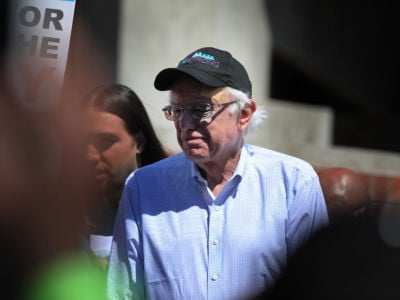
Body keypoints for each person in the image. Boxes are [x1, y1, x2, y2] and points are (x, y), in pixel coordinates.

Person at [107, 46, 329, 300]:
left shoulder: (293, 183)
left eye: (201, 110)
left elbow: (316, 286)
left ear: (244, 114)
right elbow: (122, 293)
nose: (185, 124)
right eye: (177, 111)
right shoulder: (143, 188)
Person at [84, 83, 168, 266]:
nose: (89, 155)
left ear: (139, 142)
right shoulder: (60, 215)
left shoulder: (170, 210)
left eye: (105, 141)